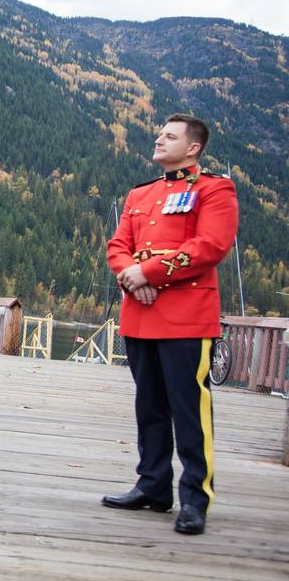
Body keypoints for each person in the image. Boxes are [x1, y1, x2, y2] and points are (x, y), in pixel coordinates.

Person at [104, 113, 238, 535]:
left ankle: (195, 498)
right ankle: (153, 486)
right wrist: (131, 275)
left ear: (193, 147)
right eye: (160, 134)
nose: (159, 140)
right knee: (149, 406)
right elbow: (118, 246)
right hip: (140, 315)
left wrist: (150, 273)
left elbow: (209, 246)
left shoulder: (215, 189)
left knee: (189, 410)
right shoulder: (139, 194)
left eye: (170, 136)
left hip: (185, 318)